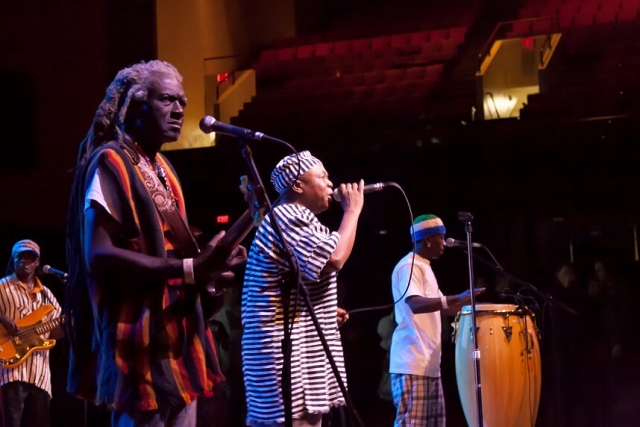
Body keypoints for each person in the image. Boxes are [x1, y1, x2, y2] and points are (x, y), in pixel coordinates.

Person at [65, 60, 247, 427]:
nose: (180, 109)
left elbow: (178, 258)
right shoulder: (112, 162)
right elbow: (97, 255)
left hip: (177, 338)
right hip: (137, 344)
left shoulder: (165, 169)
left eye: (182, 100)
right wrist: (188, 268)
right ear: (135, 105)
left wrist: (212, 269)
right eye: (166, 99)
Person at [241, 150, 364, 426]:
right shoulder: (287, 215)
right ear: (298, 185)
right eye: (322, 176)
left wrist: (322, 312)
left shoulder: (301, 219)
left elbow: (293, 282)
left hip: (299, 345)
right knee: (294, 421)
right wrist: (353, 211)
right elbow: (333, 259)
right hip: (284, 354)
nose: (331, 183)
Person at [389, 214, 484, 427]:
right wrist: (455, 298)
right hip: (412, 363)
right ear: (428, 239)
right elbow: (415, 303)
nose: (444, 243)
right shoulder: (410, 265)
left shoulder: (425, 267)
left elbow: (442, 307)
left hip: (428, 365)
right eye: (440, 238)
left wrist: (474, 309)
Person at [0, 239, 63, 427]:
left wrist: (71, 325)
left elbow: (54, 333)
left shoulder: (47, 295)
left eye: (30, 257)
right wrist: (2, 318)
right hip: (10, 371)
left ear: (37, 263)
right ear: (13, 259)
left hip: (40, 376)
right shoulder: (3, 287)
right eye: (21, 256)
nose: (25, 261)